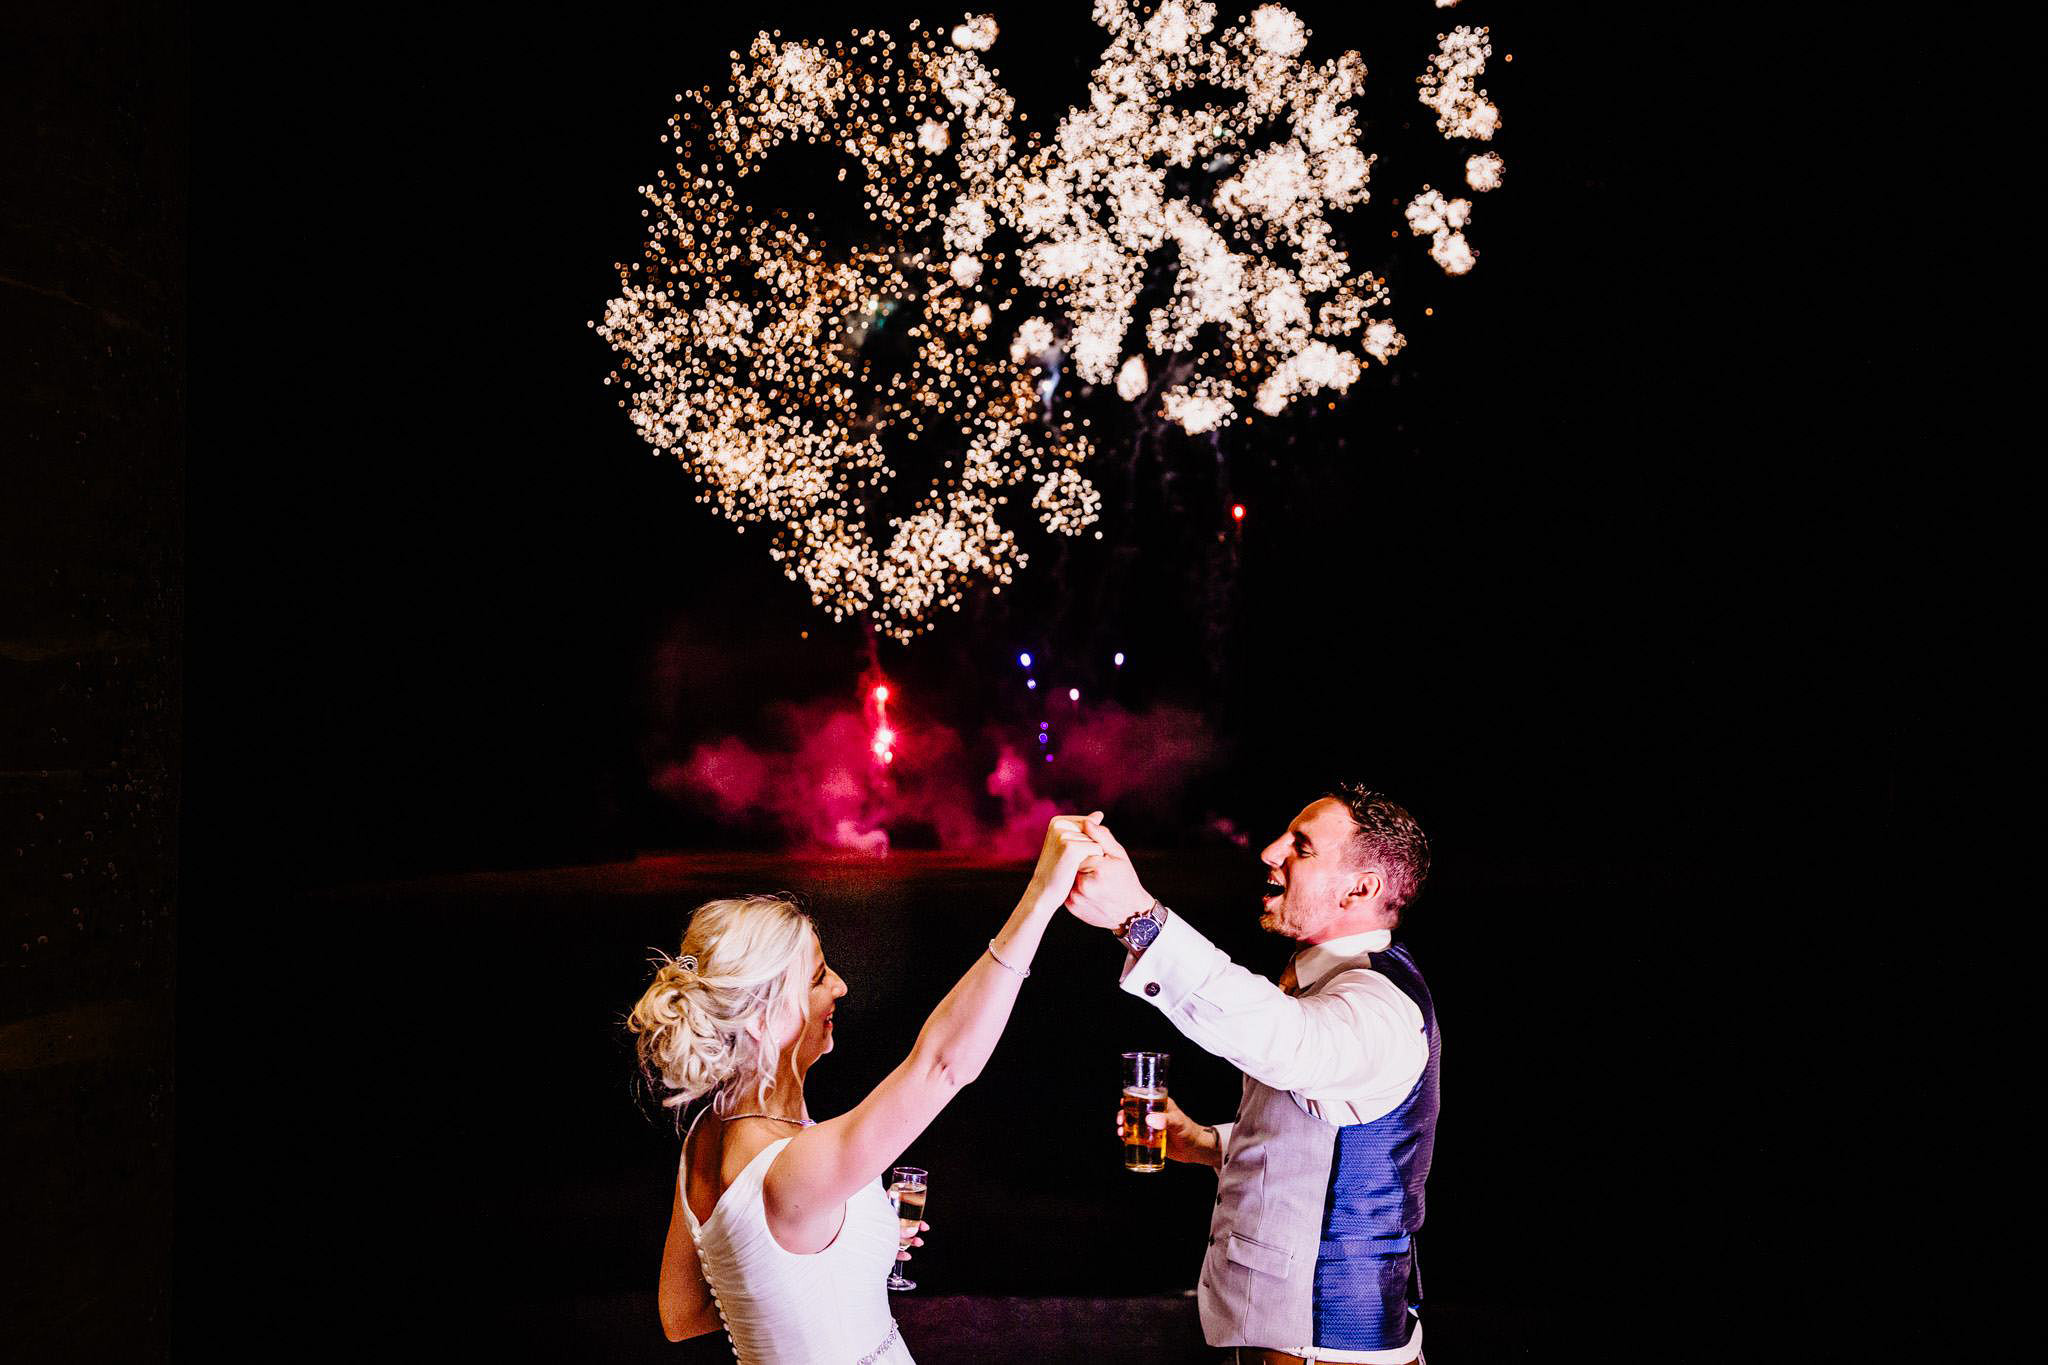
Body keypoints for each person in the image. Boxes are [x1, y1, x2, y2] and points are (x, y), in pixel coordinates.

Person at [625, 813, 1105, 1364]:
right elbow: (942, 1067)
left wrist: (852, 1251)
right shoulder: (789, 1167)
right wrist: (1041, 895)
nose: (840, 986)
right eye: (818, 976)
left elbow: (683, 1315)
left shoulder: (705, 1138)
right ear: (762, 1019)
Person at [1066, 785, 1438, 1365]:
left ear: (1362, 888)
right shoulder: (1337, 982)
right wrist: (1207, 1142)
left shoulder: (1380, 1005)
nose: (1270, 851)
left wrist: (1140, 920)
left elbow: (1285, 1040)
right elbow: (1329, 1140)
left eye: (1302, 847)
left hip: (1330, 1347)